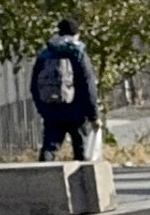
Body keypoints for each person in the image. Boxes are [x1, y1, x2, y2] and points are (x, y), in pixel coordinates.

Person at [30, 18, 101, 161]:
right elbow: (89, 86)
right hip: (77, 112)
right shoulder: (78, 53)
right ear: (76, 33)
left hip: (52, 110)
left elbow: (34, 85)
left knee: (49, 148)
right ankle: (81, 175)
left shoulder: (45, 54)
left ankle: (43, 173)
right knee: (81, 151)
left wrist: (43, 109)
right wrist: (94, 115)